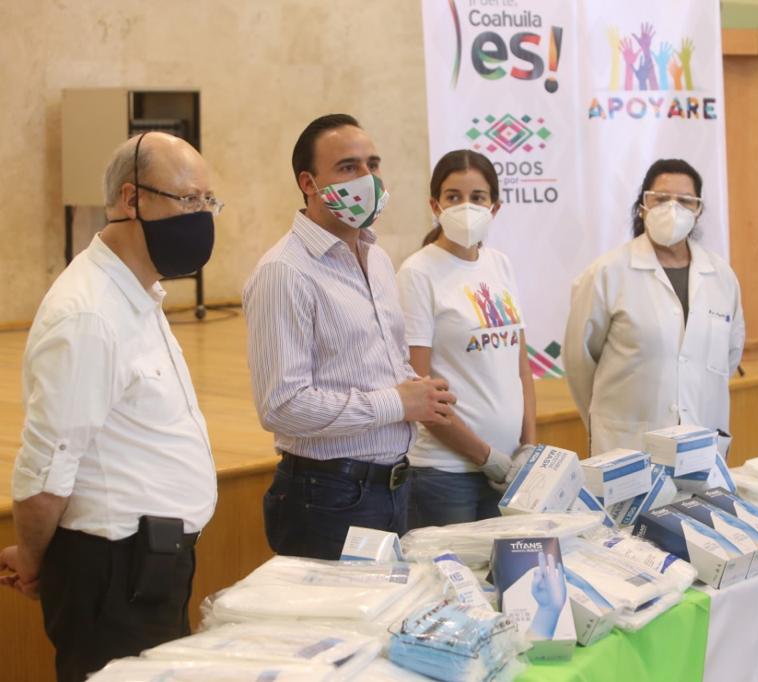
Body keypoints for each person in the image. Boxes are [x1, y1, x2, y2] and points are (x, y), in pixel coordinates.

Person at [0, 132, 220, 682]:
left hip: (149, 565)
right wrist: (34, 559)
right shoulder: (90, 313)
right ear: (131, 199)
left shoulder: (136, 293)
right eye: (188, 199)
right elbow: (46, 468)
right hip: (114, 571)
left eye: (208, 201)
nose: (202, 216)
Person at [243, 114, 455, 559]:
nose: (367, 179)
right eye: (348, 167)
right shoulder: (285, 271)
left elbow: (380, 361)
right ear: (308, 183)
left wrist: (417, 392)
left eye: (372, 165)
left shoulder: (377, 258)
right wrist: (397, 403)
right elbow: (282, 405)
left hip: (393, 485)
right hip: (327, 496)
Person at [564, 158, 745, 456]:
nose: (672, 209)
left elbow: (730, 355)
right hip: (627, 444)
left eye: (685, 201)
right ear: (643, 206)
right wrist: (603, 423)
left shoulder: (721, 276)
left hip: (700, 441)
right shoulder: (607, 273)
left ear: (698, 211)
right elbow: (579, 361)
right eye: (660, 199)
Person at [396, 150, 536, 527]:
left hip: (510, 469)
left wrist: (529, 447)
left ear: (495, 207)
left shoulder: (500, 264)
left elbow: (521, 369)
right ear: (435, 205)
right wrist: (485, 457)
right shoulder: (417, 272)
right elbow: (419, 389)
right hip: (445, 475)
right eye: (453, 197)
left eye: (477, 197)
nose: (466, 207)